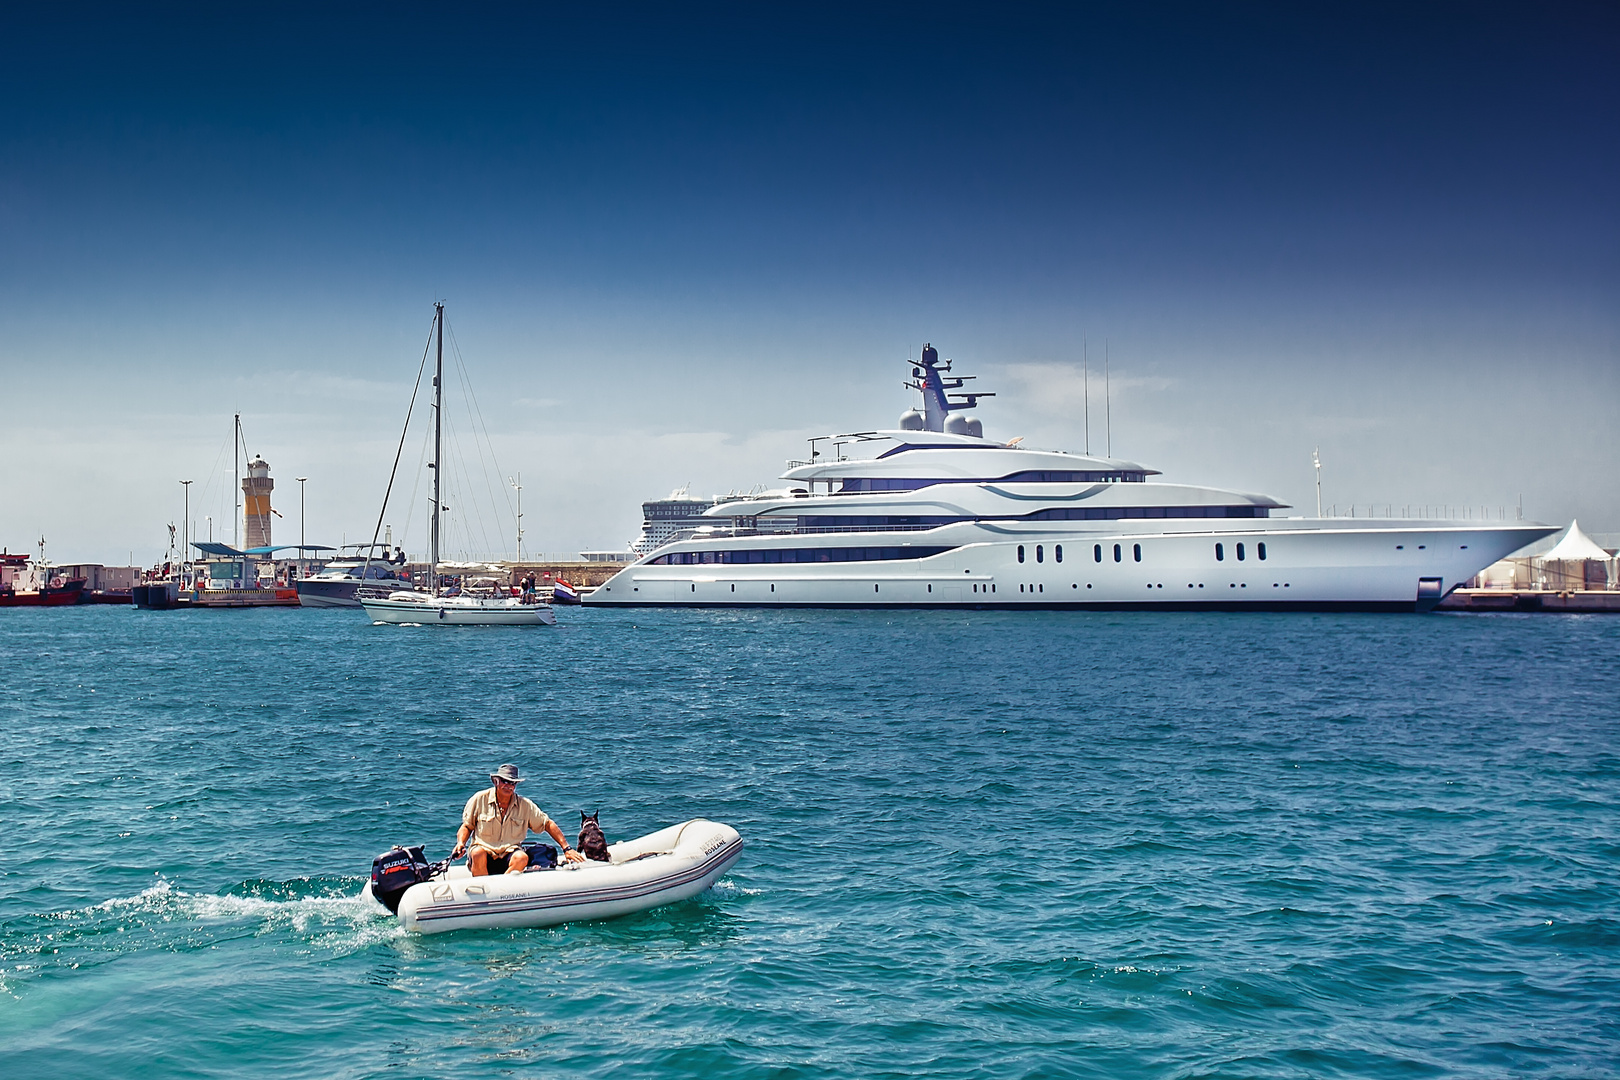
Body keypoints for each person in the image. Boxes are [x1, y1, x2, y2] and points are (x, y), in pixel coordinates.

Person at [450, 763, 585, 875]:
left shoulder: (525, 805)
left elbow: (547, 824)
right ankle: (482, 891)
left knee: (522, 857)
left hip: (509, 855)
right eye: (505, 781)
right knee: (478, 853)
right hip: (483, 853)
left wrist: (567, 849)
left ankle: (503, 892)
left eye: (512, 783)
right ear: (496, 781)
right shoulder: (479, 799)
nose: (508, 786)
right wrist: (460, 844)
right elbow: (467, 826)